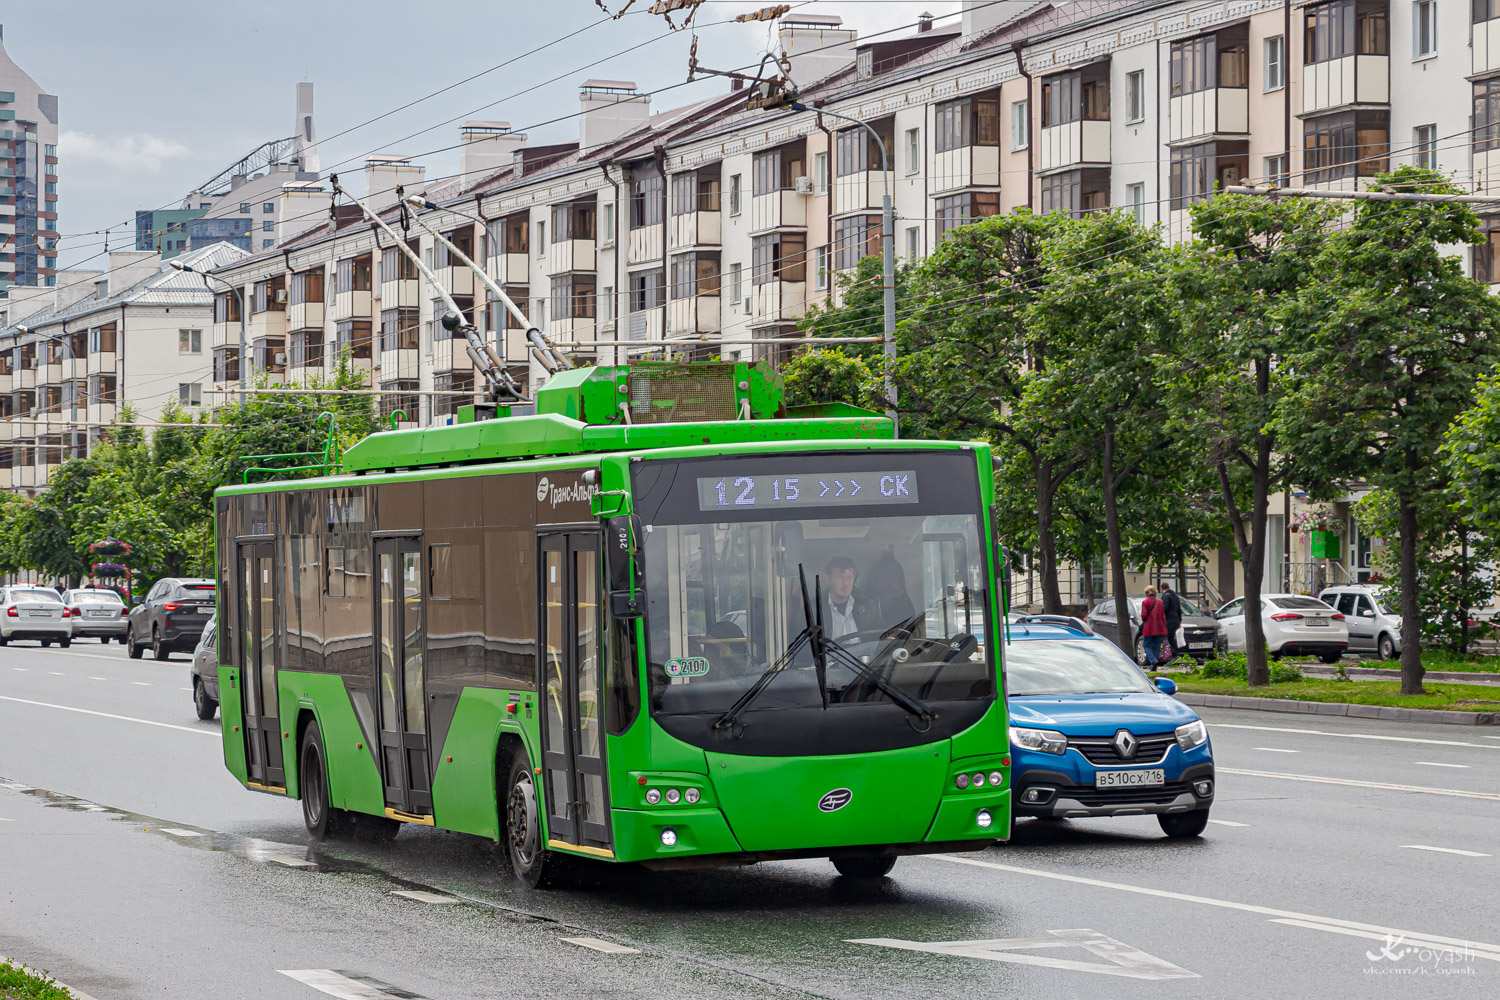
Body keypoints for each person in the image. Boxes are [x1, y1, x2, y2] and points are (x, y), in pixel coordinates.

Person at [823, 556, 882, 639]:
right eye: (840, 577)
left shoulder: (868, 605)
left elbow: (880, 637)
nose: (845, 583)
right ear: (828, 579)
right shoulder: (815, 609)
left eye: (849, 577)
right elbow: (808, 643)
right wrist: (831, 645)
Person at [1139, 586, 1169, 667]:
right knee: (1156, 646)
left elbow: (1144, 615)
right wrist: (1164, 628)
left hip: (1148, 628)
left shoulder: (1145, 602)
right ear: (1155, 592)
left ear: (1146, 593)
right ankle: (1154, 666)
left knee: (1146, 646)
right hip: (1158, 628)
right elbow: (1163, 616)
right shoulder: (1160, 602)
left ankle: (1153, 660)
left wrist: (1143, 618)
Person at [1159, 581, 1182, 664]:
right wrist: (1179, 621)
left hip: (1169, 620)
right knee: (1171, 637)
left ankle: (1174, 655)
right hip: (1175, 620)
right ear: (1168, 587)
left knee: (1169, 637)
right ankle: (1173, 655)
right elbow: (1179, 609)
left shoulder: (1165, 596)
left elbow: (1165, 608)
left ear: (1161, 588)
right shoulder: (1175, 596)